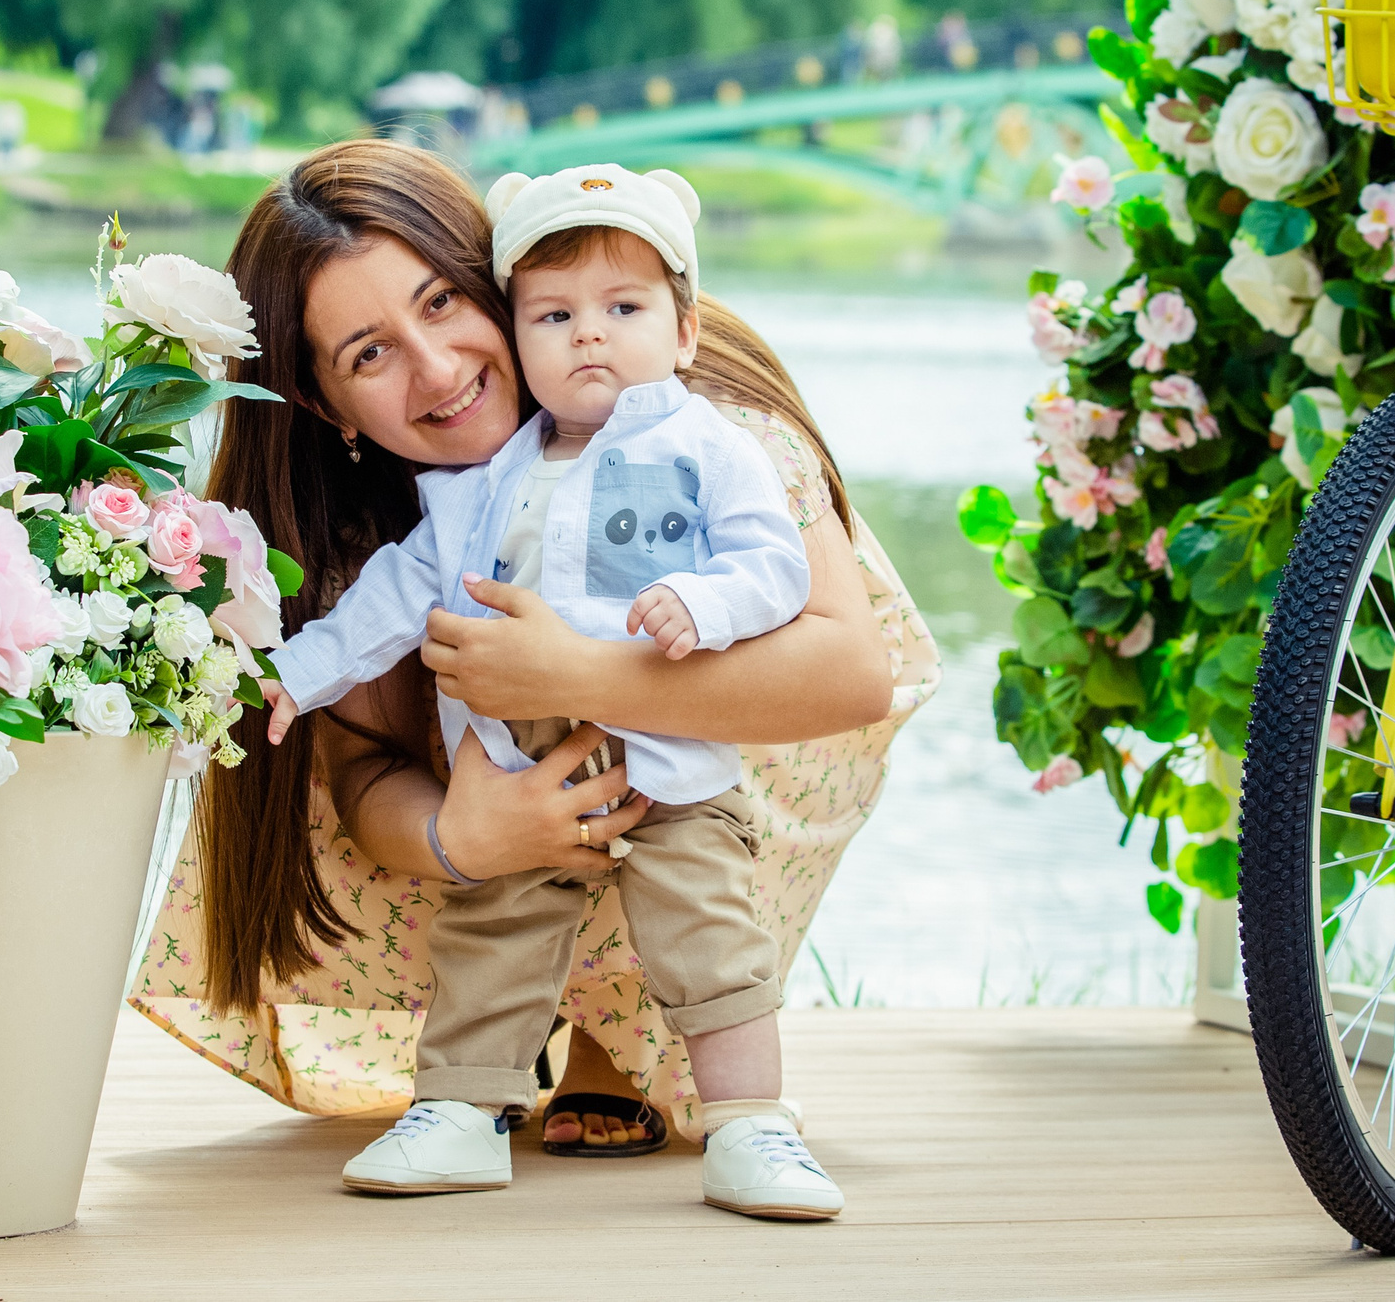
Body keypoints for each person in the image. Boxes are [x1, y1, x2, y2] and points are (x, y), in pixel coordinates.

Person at [125, 138, 939, 1175]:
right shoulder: (404, 516)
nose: (436, 370)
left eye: (440, 304)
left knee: (697, 900)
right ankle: (471, 1098)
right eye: (368, 354)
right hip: (511, 796)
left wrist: (577, 675)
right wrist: (462, 834)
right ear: (328, 405)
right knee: (481, 898)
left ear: (493, 283)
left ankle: (693, 1081)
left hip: (709, 774)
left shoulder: (697, 421)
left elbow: (846, 675)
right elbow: (364, 762)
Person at [259, 163, 835, 1216]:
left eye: (621, 311)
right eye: (557, 316)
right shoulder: (485, 483)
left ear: (683, 328)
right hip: (517, 769)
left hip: (669, 766)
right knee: (491, 932)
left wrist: (701, 608)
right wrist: (296, 670)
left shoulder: (705, 444)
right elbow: (395, 593)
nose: (588, 338)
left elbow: (773, 567)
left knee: (710, 933)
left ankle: (753, 1123)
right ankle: (462, 1111)